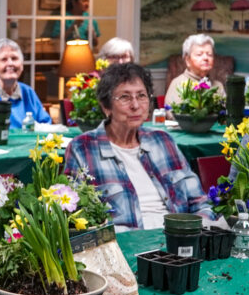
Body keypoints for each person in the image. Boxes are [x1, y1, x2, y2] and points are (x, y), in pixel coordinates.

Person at [64, 62, 216, 230]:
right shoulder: (82, 149)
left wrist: (192, 233)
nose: (135, 105)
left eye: (142, 96)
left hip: (179, 240)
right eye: (125, 97)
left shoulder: (162, 141)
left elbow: (200, 204)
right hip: (126, 248)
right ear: (106, 106)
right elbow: (80, 220)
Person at [164, 33, 225, 107]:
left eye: (209, 54)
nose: (206, 58)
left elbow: (225, 113)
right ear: (187, 60)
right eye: (199, 54)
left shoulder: (218, 85)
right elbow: (172, 113)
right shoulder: (178, 84)